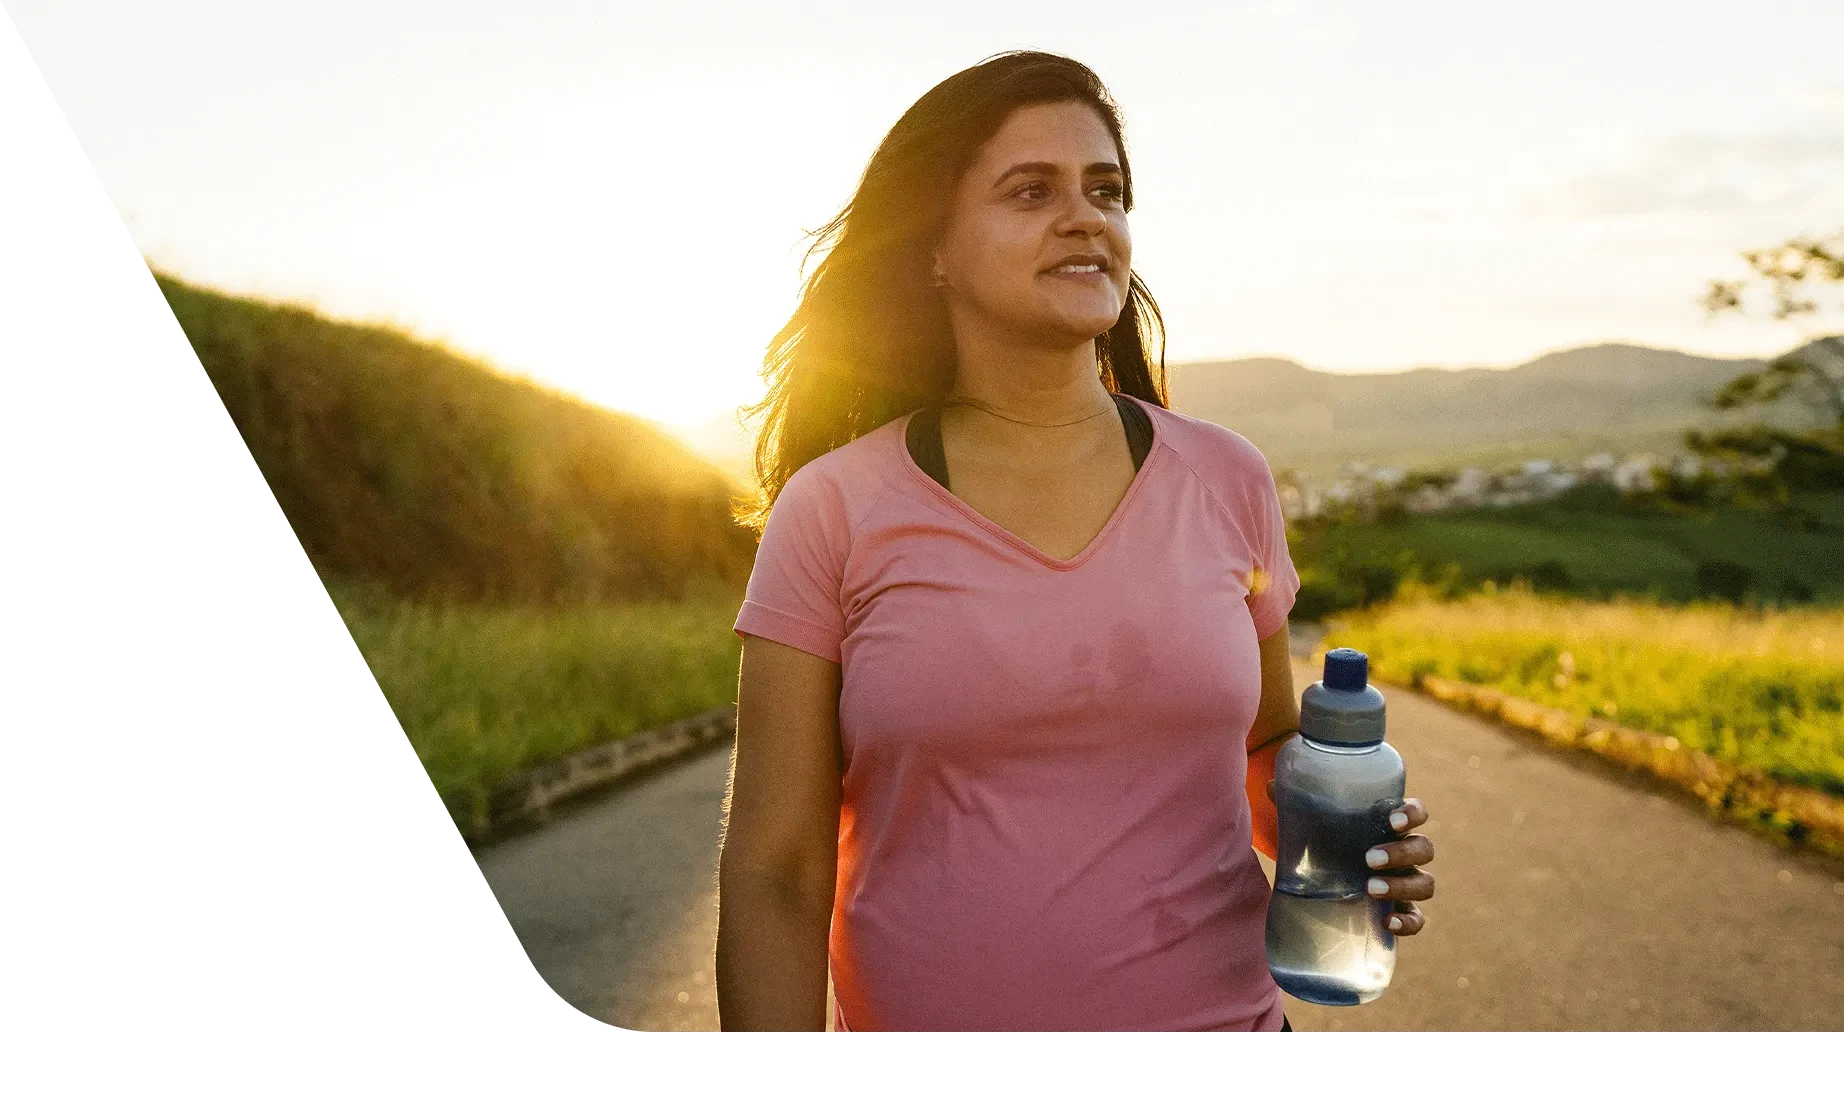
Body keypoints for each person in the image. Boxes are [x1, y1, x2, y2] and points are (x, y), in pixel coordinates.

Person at [716, 50, 1435, 1032]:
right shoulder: (833, 507)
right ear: (932, 246)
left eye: (1106, 190)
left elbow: (1263, 744)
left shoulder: (1226, 477)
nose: (1085, 216)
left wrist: (1343, 827)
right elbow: (776, 872)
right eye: (1028, 191)